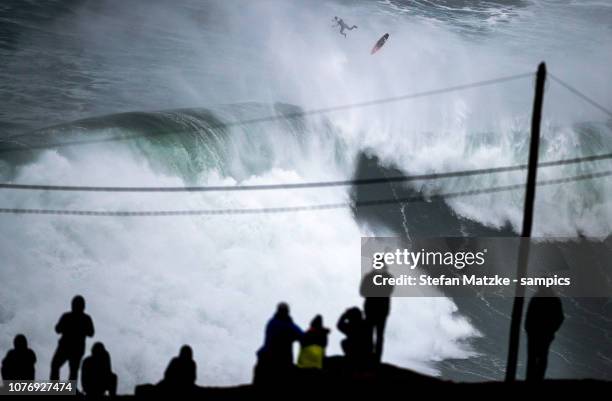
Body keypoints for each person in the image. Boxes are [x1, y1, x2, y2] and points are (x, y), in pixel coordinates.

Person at [254, 302, 303, 384]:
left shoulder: (271, 322)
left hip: (265, 359)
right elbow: (303, 337)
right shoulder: (288, 326)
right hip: (282, 363)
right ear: (287, 311)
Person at [50, 295, 95, 381]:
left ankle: (58, 389)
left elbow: (57, 329)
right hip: (75, 348)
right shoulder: (85, 318)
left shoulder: (67, 316)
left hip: (67, 346)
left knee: (58, 366)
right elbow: (91, 333)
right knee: (72, 371)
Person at [525, 286, 565, 381]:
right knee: (542, 357)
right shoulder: (554, 299)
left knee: (533, 357)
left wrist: (528, 330)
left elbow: (529, 315)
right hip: (544, 334)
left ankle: (531, 379)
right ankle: (538, 378)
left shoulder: (536, 298)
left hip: (535, 333)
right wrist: (552, 330)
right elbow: (560, 318)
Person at [360, 264, 394, 362]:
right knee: (370, 335)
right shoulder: (369, 277)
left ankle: (376, 359)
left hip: (381, 311)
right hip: (371, 311)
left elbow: (389, 290)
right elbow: (362, 292)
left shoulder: (387, 278)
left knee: (378, 336)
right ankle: (370, 357)